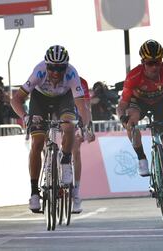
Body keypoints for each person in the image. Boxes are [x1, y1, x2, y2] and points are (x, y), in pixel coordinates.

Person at [10, 45, 91, 212]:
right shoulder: (39, 72)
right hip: (40, 100)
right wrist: (26, 117)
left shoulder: (71, 74)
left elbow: (82, 106)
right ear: (46, 66)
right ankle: (34, 193)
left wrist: (84, 124)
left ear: (66, 67)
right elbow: (16, 99)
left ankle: (66, 161)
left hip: (64, 99)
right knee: (37, 142)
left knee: (68, 127)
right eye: (52, 68)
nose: (56, 72)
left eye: (60, 68)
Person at [116, 39, 163, 213]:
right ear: (143, 63)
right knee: (131, 121)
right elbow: (122, 105)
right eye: (150, 63)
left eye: (158, 62)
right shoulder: (134, 76)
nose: (154, 67)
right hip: (138, 102)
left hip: (162, 103)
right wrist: (123, 120)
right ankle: (141, 157)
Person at [71, 77, 95, 213]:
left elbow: (87, 106)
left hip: (76, 116)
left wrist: (89, 128)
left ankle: (75, 193)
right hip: (58, 112)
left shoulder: (82, 82)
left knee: (76, 151)